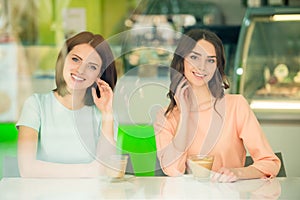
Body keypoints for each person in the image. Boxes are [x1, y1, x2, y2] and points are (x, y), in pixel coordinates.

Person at [154, 29, 281, 182]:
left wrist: (237, 173)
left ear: (217, 66)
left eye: (211, 60)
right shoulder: (166, 117)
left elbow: (270, 163)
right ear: (181, 61)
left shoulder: (236, 106)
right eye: (194, 57)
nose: (202, 67)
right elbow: (172, 170)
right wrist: (186, 115)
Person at [16, 31, 118, 178]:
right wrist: (90, 170)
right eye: (76, 59)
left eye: (92, 67)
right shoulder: (36, 105)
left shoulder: (105, 112)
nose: (80, 70)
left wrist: (107, 113)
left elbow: (107, 169)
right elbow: (27, 168)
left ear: (99, 75)